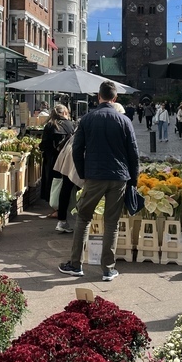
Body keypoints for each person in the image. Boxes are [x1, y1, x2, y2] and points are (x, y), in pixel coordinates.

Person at [58, 80, 139, 282]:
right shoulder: (124, 121)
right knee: (112, 222)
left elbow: (77, 149)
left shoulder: (87, 119)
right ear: (115, 98)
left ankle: (76, 264)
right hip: (119, 177)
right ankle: (108, 269)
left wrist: (83, 172)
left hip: (94, 175)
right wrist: (133, 180)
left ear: (98, 96)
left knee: (83, 217)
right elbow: (133, 154)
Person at [39, 105, 74, 211]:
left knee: (53, 183)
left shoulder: (50, 126)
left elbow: (45, 144)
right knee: (66, 183)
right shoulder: (71, 125)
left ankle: (55, 207)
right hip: (67, 158)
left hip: (52, 159)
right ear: (64, 113)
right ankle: (63, 208)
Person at [52, 133, 83, 234]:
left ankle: (62, 221)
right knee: (83, 191)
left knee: (66, 189)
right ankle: (83, 222)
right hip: (79, 158)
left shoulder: (80, 128)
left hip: (69, 158)